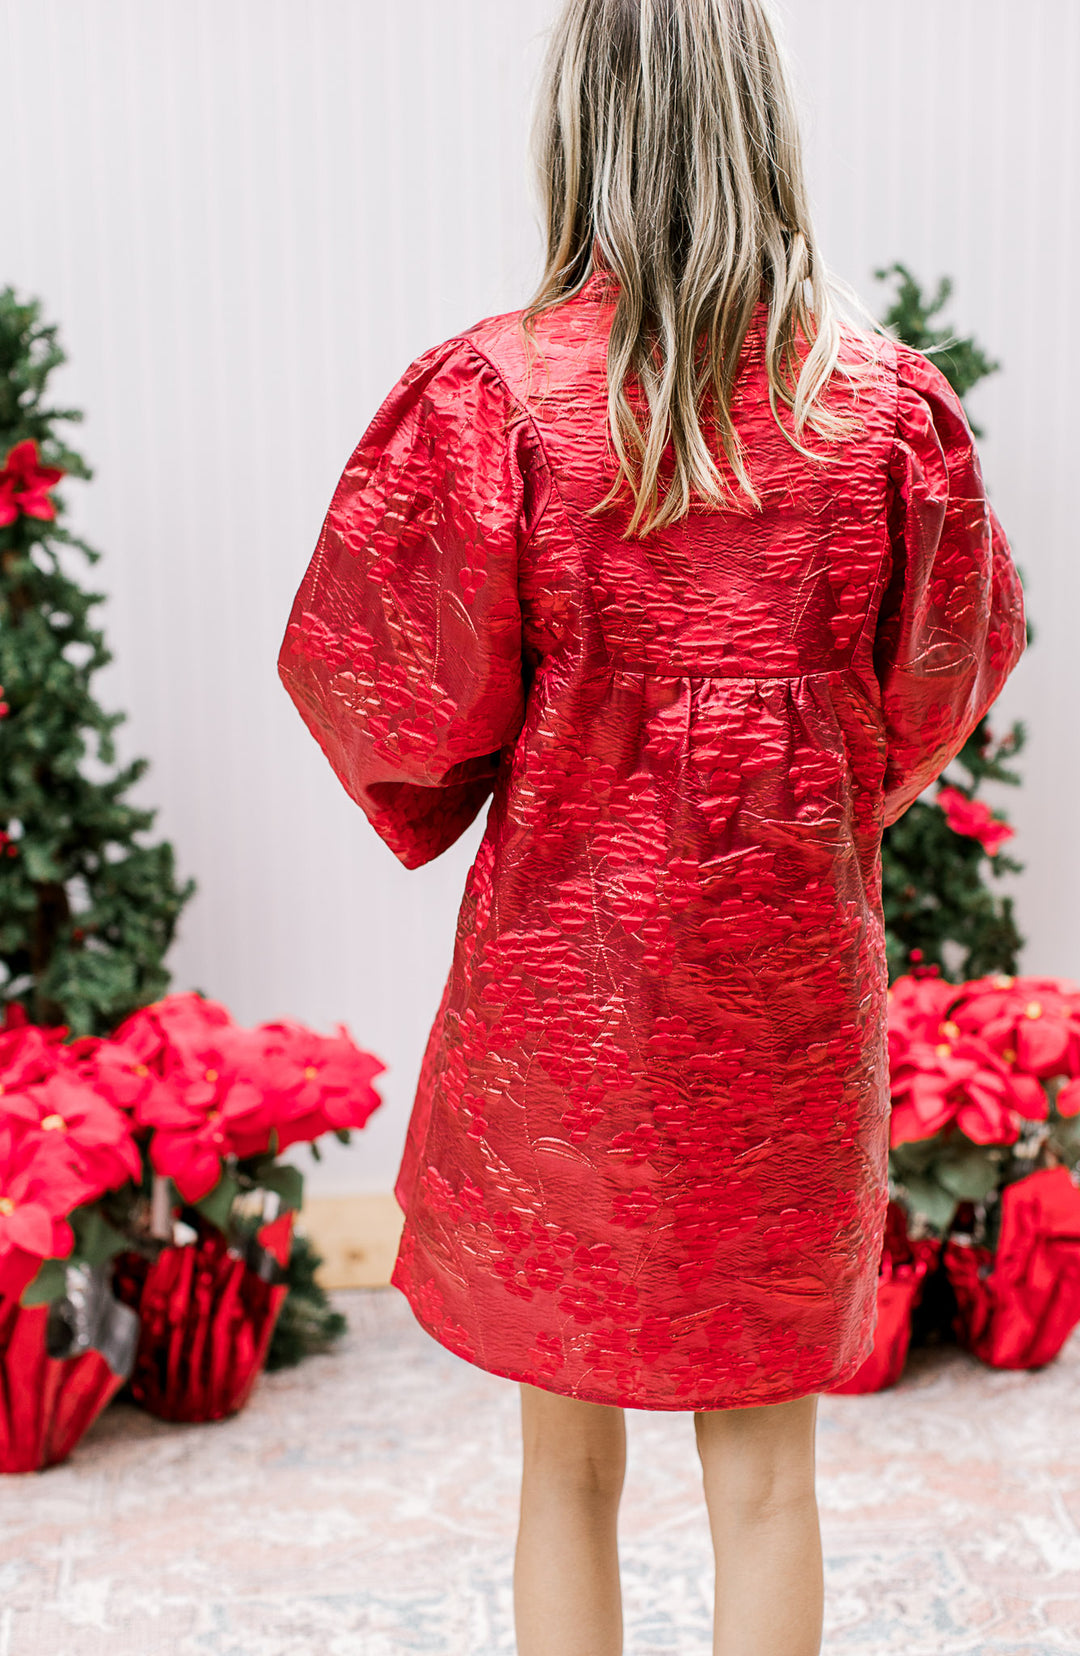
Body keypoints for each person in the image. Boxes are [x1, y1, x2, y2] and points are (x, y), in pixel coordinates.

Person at [277, 1, 1027, 1650]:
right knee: (767, 1477)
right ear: (765, 126)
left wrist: (514, 777)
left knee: (564, 1471)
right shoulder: (886, 410)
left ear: (579, 133)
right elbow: (940, 685)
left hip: (569, 1003)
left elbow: (391, 692)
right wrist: (807, 792)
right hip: (785, 1006)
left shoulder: (499, 403)